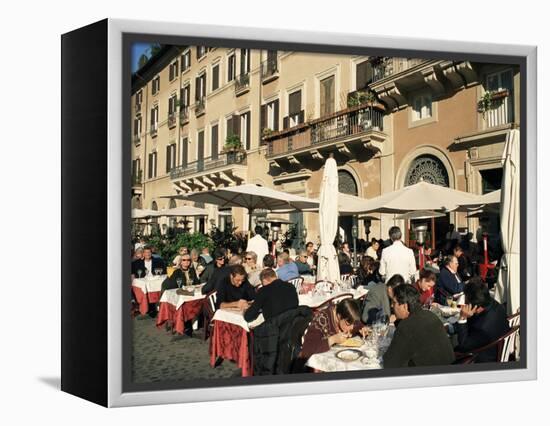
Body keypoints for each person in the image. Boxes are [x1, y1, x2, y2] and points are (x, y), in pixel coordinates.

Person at [383, 284, 455, 368]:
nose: (392, 306)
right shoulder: (429, 314)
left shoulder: (407, 326)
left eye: (394, 302)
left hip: (431, 377)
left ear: (405, 306)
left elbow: (390, 363)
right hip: (449, 369)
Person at [455, 277, 510, 362]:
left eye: (466, 301)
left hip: (482, 358)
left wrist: (462, 318)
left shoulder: (482, 328)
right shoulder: (496, 305)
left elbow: (463, 345)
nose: (464, 303)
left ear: (476, 306)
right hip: (495, 344)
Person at [299, 298, 367, 358]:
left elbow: (355, 323)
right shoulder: (322, 320)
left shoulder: (346, 317)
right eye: (348, 324)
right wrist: (332, 340)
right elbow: (307, 349)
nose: (352, 327)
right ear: (339, 316)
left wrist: (361, 327)